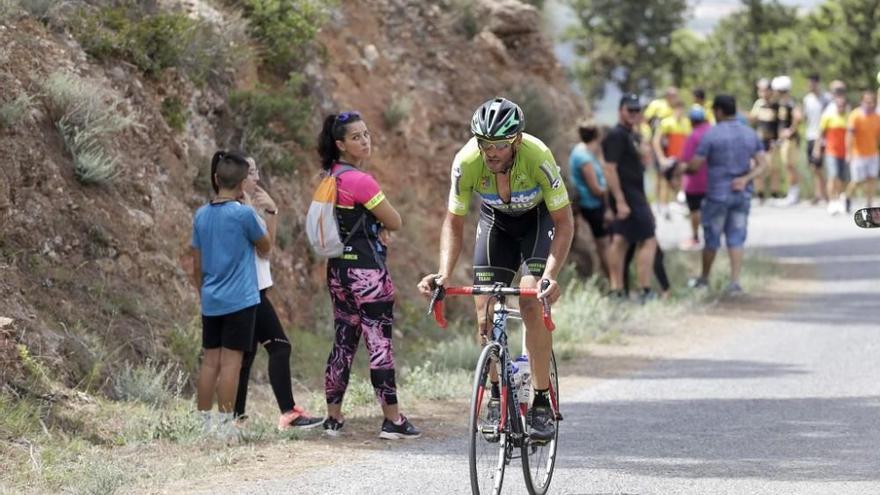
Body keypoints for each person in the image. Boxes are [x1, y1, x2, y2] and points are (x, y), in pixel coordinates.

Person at [417, 97, 574, 442]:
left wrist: (550, 275)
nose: (491, 151)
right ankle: (494, 393)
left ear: (516, 139)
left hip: (537, 221)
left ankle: (541, 400)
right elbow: (453, 222)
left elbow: (564, 223)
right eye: (484, 143)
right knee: (484, 308)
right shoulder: (466, 161)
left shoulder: (539, 156)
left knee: (531, 301)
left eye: (499, 144)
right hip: (496, 225)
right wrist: (443, 274)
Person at [317, 111, 419, 439]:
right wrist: (381, 227)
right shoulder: (361, 181)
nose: (364, 141)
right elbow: (396, 220)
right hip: (368, 275)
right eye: (356, 137)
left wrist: (375, 226)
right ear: (340, 144)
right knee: (379, 344)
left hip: (337, 271)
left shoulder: (329, 178)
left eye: (366, 134)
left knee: (343, 343)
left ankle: (333, 418)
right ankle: (393, 420)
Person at [212, 157, 323, 431]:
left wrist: (268, 213)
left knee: (246, 356)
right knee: (279, 346)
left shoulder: (238, 210)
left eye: (257, 170)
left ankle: (233, 420)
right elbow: (263, 249)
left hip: (250, 291)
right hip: (247, 293)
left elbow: (264, 249)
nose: (256, 178)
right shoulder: (235, 212)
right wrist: (264, 213)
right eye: (250, 172)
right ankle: (287, 413)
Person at [191, 151, 271, 437]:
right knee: (232, 365)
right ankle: (226, 428)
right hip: (241, 300)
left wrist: (204, 292)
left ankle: (202, 425)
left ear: (215, 178)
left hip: (211, 299)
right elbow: (265, 248)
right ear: (241, 186)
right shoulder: (244, 214)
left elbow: (196, 264)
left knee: (210, 361)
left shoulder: (200, 215)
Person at [685, 95, 768, 294]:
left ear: (719, 111)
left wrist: (682, 169)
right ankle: (735, 281)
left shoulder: (712, 135)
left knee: (712, 238)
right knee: (736, 238)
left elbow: (695, 165)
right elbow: (763, 164)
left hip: (717, 194)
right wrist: (746, 179)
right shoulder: (749, 134)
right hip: (741, 194)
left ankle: (704, 279)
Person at [603, 94, 658, 303]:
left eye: (637, 110)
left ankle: (618, 290)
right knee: (648, 238)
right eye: (630, 110)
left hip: (635, 195)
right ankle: (644, 289)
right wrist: (620, 200)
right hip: (628, 197)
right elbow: (609, 169)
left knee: (620, 240)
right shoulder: (616, 135)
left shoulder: (630, 135)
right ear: (620, 111)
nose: (634, 114)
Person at [569, 121, 611, 276]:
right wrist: (610, 190)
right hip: (592, 205)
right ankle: (615, 284)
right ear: (598, 136)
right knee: (604, 246)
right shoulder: (584, 158)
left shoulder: (580, 150)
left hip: (590, 204)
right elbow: (596, 189)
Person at [652, 99, 692, 220]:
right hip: (669, 158)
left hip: (682, 159)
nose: (680, 112)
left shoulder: (686, 122)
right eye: (677, 109)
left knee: (679, 182)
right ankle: (664, 207)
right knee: (665, 181)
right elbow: (657, 141)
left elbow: (689, 141)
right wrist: (661, 157)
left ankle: (679, 204)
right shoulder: (666, 123)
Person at [680, 106, 712, 249]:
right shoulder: (712, 131)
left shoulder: (693, 136)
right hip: (712, 179)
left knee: (695, 210)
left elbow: (686, 159)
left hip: (694, 181)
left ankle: (695, 237)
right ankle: (710, 236)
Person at [844, 91, 880, 209]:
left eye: (871, 102)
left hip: (873, 154)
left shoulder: (876, 117)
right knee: (857, 181)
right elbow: (849, 135)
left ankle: (869, 203)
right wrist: (848, 153)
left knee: (872, 178)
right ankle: (847, 196)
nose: (869, 104)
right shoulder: (856, 115)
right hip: (858, 154)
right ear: (862, 102)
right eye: (867, 102)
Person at [771, 75, 803, 206]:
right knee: (788, 166)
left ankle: (793, 194)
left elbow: (798, 117)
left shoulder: (790, 102)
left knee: (790, 166)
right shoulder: (783, 103)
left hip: (790, 140)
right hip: (784, 140)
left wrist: (791, 130)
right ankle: (793, 193)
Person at [820, 89, 850, 215]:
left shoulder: (849, 118)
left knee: (842, 178)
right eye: (839, 105)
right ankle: (832, 201)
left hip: (845, 152)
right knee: (833, 176)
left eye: (843, 105)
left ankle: (839, 200)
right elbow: (820, 134)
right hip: (831, 151)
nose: (841, 107)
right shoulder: (829, 117)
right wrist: (817, 149)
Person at [803, 74, 830, 204]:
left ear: (818, 83)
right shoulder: (807, 99)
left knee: (820, 166)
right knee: (813, 167)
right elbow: (806, 117)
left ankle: (825, 194)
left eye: (812, 83)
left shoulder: (826, 98)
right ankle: (818, 193)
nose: (810, 86)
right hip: (810, 135)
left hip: (822, 136)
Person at [750, 78, 776, 202]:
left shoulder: (775, 104)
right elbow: (753, 118)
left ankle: (773, 193)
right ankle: (759, 194)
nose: (763, 93)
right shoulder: (758, 104)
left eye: (765, 90)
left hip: (772, 140)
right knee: (757, 166)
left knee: (770, 167)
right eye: (760, 90)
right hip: (759, 139)